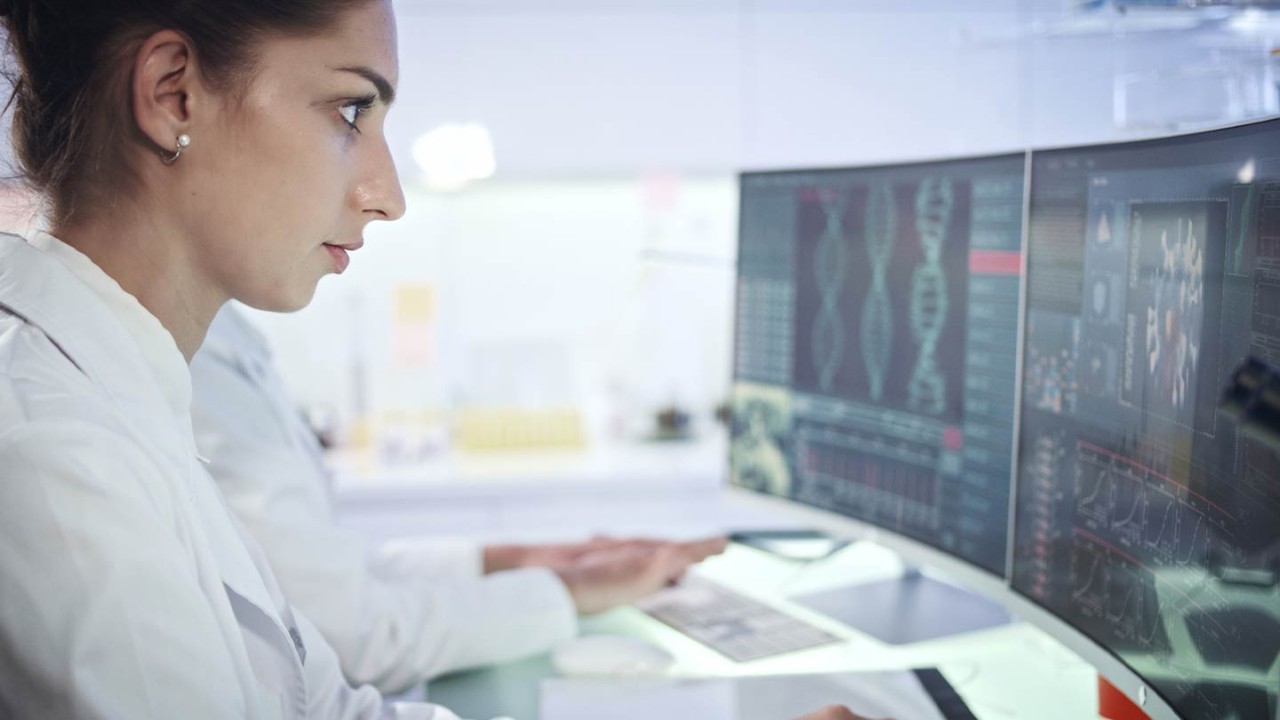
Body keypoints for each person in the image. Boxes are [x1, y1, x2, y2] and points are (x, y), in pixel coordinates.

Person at [0, 0, 868, 718]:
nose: (390, 196)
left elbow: (325, 702)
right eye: (350, 111)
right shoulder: (57, 461)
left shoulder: (127, 402)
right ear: (173, 94)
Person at [192, 303, 729, 691]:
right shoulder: (199, 365)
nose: (387, 198)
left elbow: (323, 576)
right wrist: (571, 588)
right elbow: (355, 636)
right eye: (346, 136)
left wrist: (515, 560)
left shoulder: (221, 333)